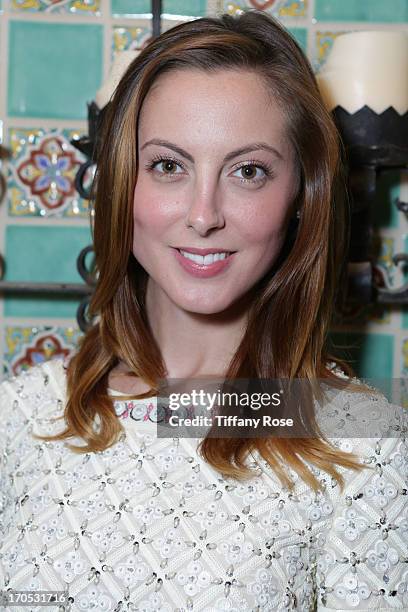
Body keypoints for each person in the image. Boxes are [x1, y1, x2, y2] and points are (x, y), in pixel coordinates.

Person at [0, 9, 407, 611]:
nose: (203, 213)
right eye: (169, 165)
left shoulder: (362, 437)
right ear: (121, 181)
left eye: (248, 171)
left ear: (301, 195)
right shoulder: (22, 413)